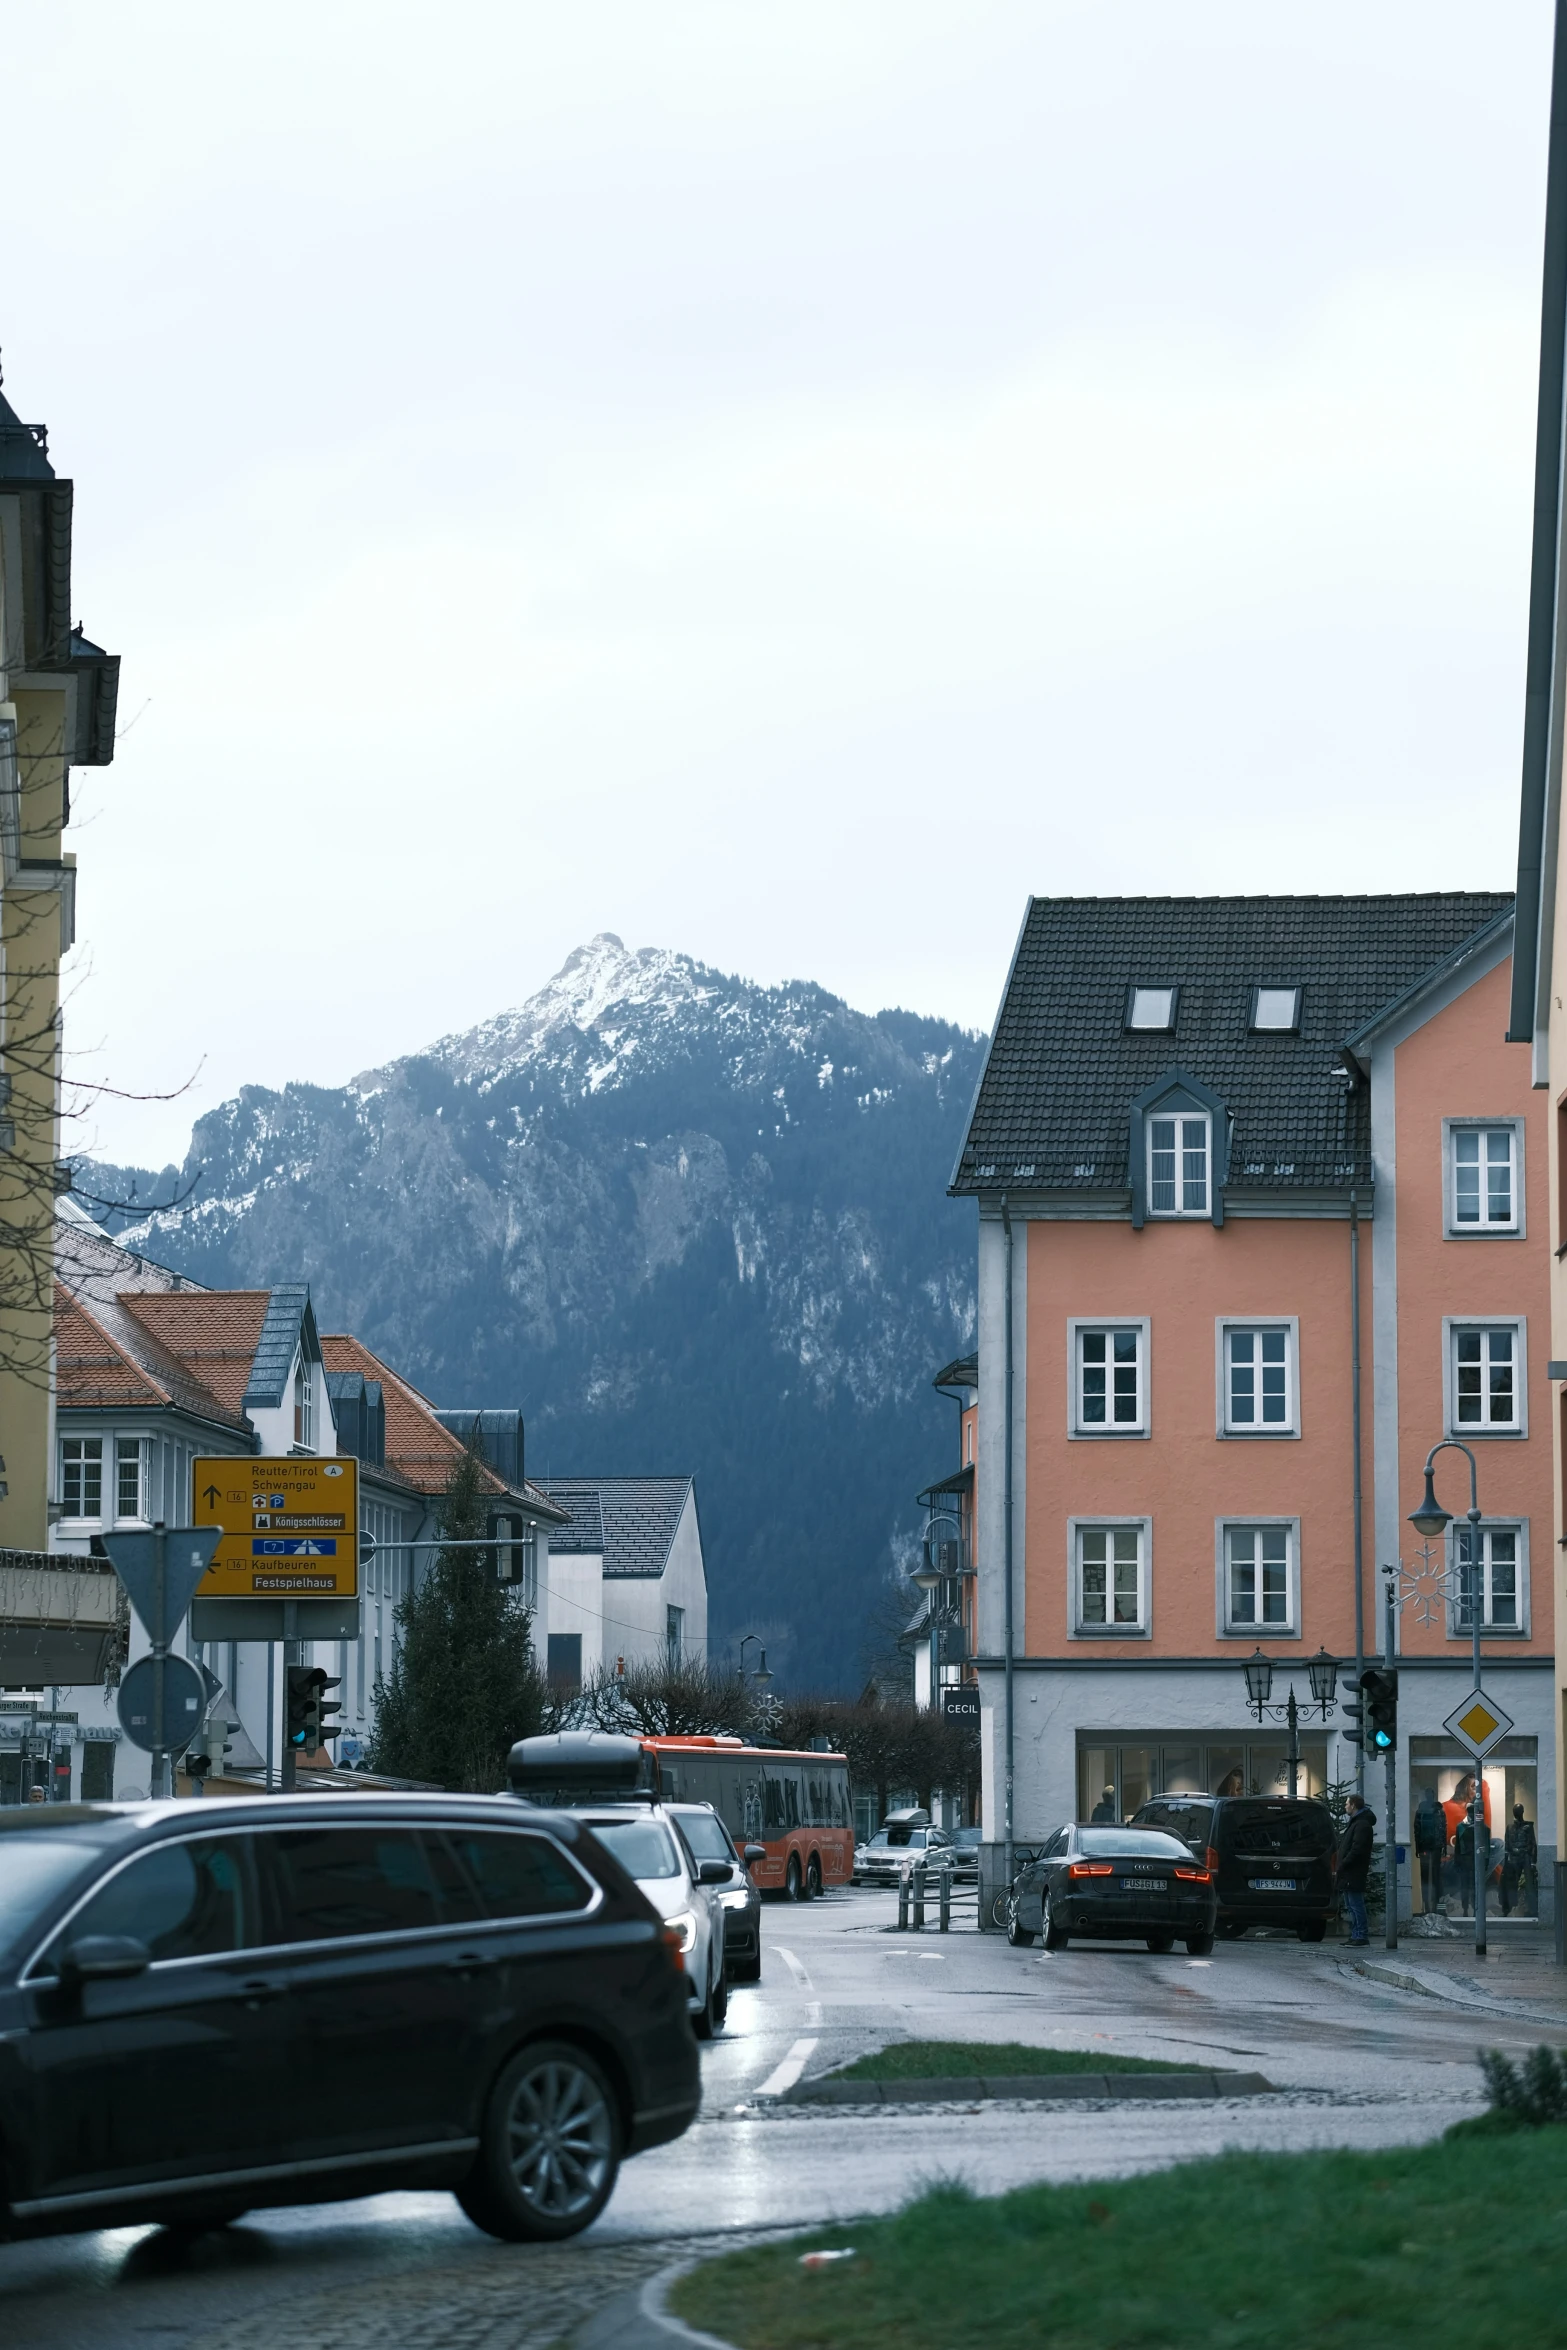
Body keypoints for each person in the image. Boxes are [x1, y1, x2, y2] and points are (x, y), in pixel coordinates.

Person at [1338, 1793, 1375, 1946]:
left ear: (1353, 1805)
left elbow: (1357, 1849)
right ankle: (1356, 1935)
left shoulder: (1361, 1824)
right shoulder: (1357, 1822)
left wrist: (1344, 1862)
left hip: (1354, 1870)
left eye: (1347, 1803)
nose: (1345, 1806)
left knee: (1356, 1904)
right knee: (1351, 1905)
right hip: (1349, 1870)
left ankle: (1361, 1935)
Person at [1413, 1788, 1448, 1918]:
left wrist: (1418, 1847)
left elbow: (1417, 1830)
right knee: (1433, 1877)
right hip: (1431, 1847)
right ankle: (1430, 1906)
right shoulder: (1438, 1811)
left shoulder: (1423, 1811)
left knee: (1428, 1877)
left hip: (1428, 1847)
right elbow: (1442, 1829)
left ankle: (1430, 1906)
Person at [1501, 1804, 1538, 1918]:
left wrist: (1533, 1861)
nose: (1516, 1813)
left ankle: (1531, 1910)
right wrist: (1507, 1859)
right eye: (1514, 1811)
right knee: (1511, 1885)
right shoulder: (1510, 1827)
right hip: (1514, 1859)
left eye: (1518, 1810)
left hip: (1525, 1857)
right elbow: (1507, 1844)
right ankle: (1511, 1908)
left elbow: (1533, 1844)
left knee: (1529, 1885)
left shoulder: (1528, 1826)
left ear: (1522, 1812)